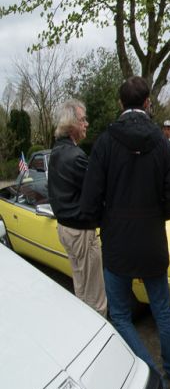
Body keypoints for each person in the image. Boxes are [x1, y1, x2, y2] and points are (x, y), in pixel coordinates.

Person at [81, 76, 170, 387]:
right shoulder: (163, 144)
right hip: (152, 240)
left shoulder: (104, 142)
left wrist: (108, 219)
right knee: (162, 311)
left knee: (121, 316)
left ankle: (152, 376)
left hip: (117, 242)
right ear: (147, 103)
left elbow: (89, 200)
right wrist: (153, 216)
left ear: (119, 104)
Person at [47, 99, 106, 315]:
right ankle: (99, 341)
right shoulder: (74, 156)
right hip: (80, 231)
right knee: (96, 298)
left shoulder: (56, 151)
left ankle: (83, 324)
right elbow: (98, 190)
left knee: (81, 288)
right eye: (83, 120)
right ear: (71, 125)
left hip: (65, 229)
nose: (87, 124)